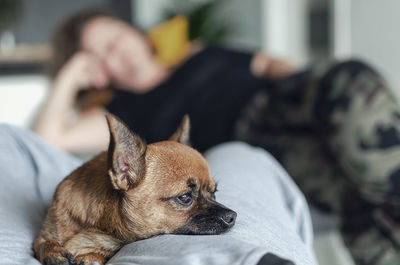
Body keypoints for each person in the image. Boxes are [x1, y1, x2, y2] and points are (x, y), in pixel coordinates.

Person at [33, 9, 400, 264]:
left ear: (132, 30)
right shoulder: (123, 111)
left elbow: (271, 66)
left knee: (350, 79)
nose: (117, 49)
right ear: (98, 71)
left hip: (286, 99)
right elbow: (47, 137)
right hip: (256, 141)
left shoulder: (200, 54)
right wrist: (69, 76)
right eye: (101, 53)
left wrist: (313, 93)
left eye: (114, 37)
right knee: (353, 195)